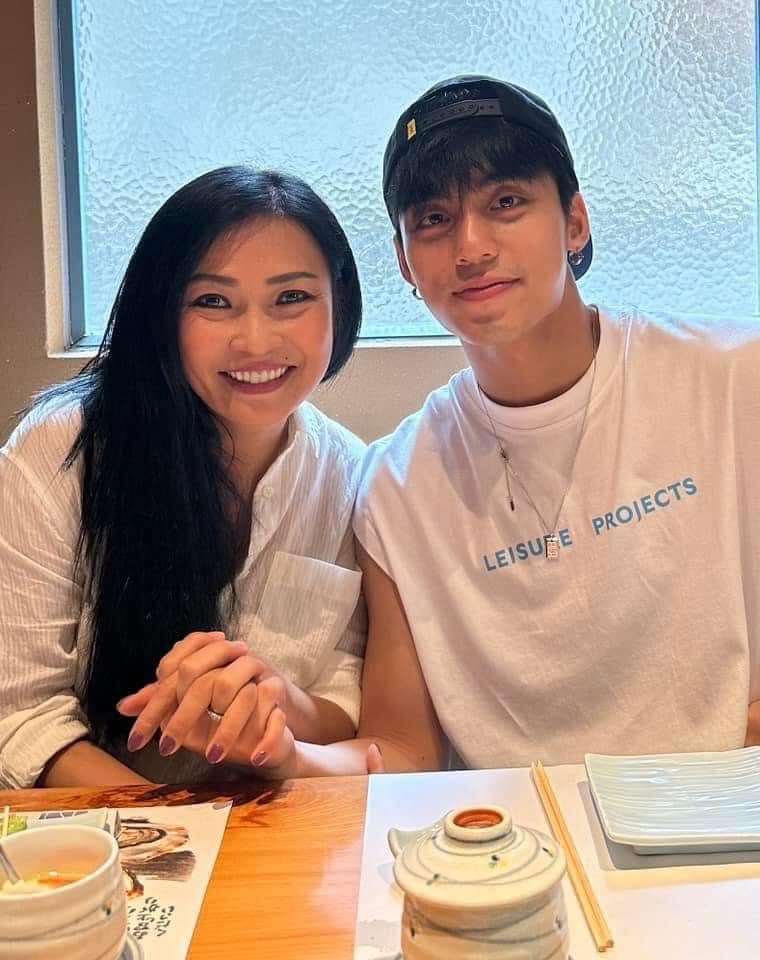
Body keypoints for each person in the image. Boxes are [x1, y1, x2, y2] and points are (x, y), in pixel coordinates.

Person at [123, 76, 760, 777]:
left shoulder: (734, 380)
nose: (471, 246)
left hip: (724, 819)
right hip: (508, 834)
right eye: (433, 219)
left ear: (575, 221)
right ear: (404, 260)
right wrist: (288, 756)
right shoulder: (397, 483)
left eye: (506, 202)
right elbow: (401, 751)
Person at [0, 166, 367, 788]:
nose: (256, 341)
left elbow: (344, 701)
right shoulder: (63, 450)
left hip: (273, 820)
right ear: (161, 314)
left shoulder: (351, 476)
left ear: (340, 304)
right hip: (102, 828)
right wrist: (170, 829)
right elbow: (21, 715)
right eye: (212, 302)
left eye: (292, 298)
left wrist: (275, 699)